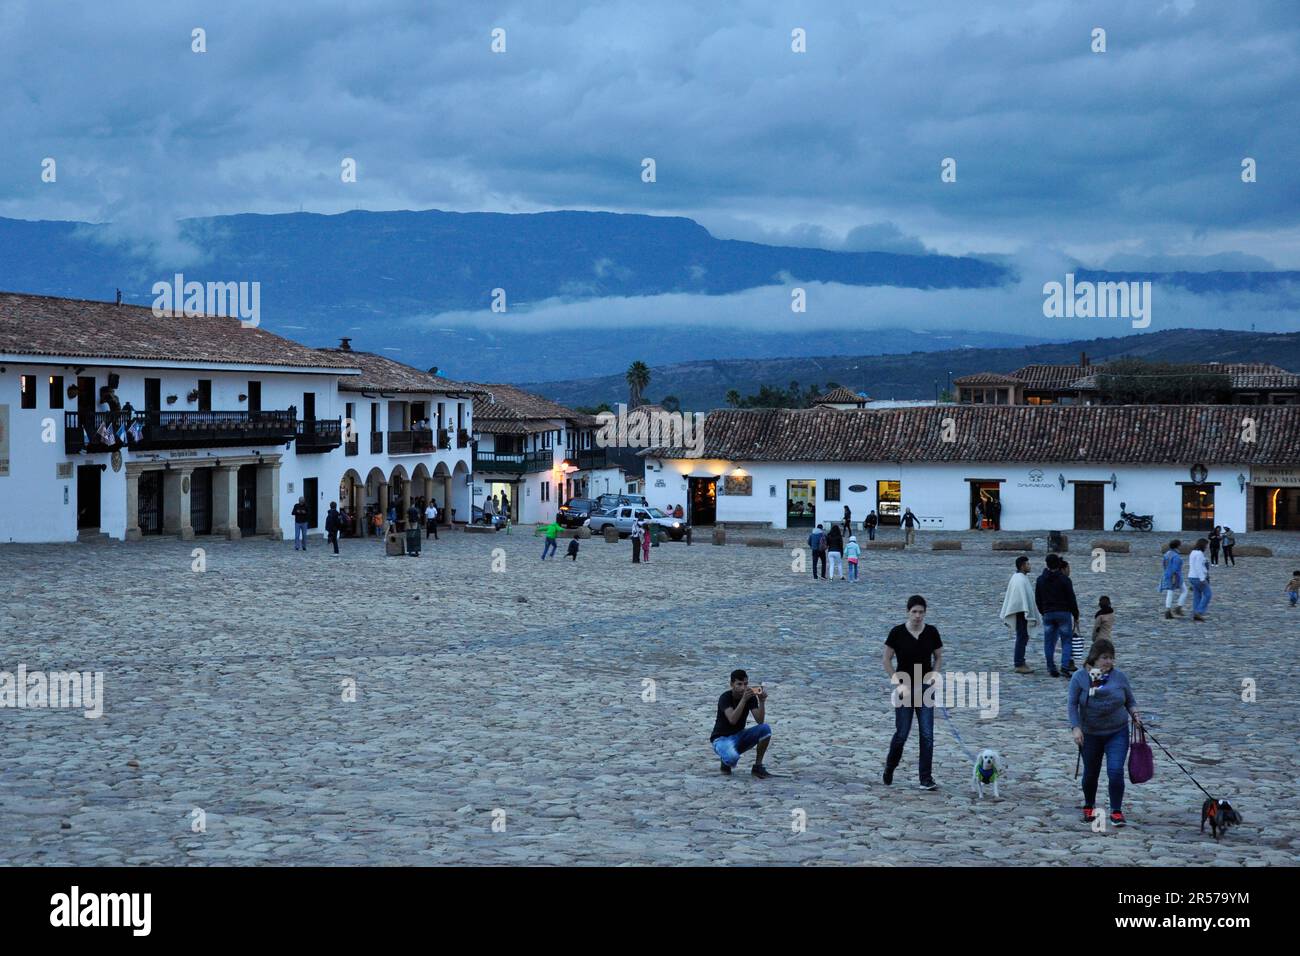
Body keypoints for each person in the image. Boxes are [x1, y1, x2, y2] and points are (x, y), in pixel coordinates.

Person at [1069, 638, 1141, 828]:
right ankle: (1089, 805)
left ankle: (1116, 811)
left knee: (1115, 771)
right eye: (1104, 657)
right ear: (1094, 658)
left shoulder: (1119, 677)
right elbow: (1072, 704)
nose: (1108, 661)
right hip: (1090, 733)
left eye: (1111, 658)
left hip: (1116, 732)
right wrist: (1076, 727)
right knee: (1091, 772)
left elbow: (1130, 700)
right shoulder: (1080, 677)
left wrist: (1135, 714)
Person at [883, 595, 942, 790]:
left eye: (921, 612)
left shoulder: (931, 632)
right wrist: (897, 682)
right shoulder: (897, 632)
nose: (918, 615)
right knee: (902, 733)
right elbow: (886, 660)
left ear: (925, 613)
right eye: (914, 611)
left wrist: (934, 675)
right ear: (908, 612)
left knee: (927, 734)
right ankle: (890, 766)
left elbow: (938, 656)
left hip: (925, 687)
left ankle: (925, 778)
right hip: (905, 687)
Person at [710, 669, 772, 778]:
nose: (743, 687)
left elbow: (760, 721)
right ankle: (725, 761)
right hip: (721, 739)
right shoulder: (725, 697)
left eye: (746, 684)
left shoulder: (750, 698)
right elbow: (732, 719)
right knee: (731, 758)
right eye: (739, 684)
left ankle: (758, 766)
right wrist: (743, 700)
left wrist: (762, 702)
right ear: (731, 684)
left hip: (739, 735)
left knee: (765, 729)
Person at [1035, 553, 1080, 677]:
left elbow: (1037, 599)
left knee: (1049, 642)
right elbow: (1071, 598)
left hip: (1048, 613)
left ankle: (1051, 667)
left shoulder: (1040, 580)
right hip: (1063, 613)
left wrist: (1043, 611)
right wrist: (1076, 614)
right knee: (1066, 641)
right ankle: (1065, 666)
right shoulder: (1065, 580)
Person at [999, 555, 1038, 674]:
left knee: (1023, 637)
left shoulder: (1019, 577)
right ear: (1022, 566)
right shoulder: (1019, 579)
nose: (1029, 566)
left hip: (1021, 611)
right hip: (1020, 612)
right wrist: (1025, 610)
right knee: (1022, 637)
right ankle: (1019, 663)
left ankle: (1021, 660)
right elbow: (1019, 598)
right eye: (1027, 564)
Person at [1160, 539, 1187, 619]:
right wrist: (1175, 577)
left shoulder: (1167, 554)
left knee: (1170, 592)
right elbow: (1175, 568)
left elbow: (1164, 564)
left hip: (1167, 575)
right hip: (1175, 576)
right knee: (1184, 591)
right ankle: (1178, 607)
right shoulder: (1176, 556)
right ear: (1177, 546)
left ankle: (1168, 610)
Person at [1188, 537, 1212, 622]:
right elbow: (1198, 567)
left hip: (1191, 576)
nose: (1207, 547)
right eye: (1206, 545)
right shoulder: (1199, 554)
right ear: (1203, 545)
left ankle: (1195, 612)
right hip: (1198, 577)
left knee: (1197, 595)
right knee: (1208, 594)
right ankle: (1199, 611)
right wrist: (1202, 578)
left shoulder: (1193, 552)